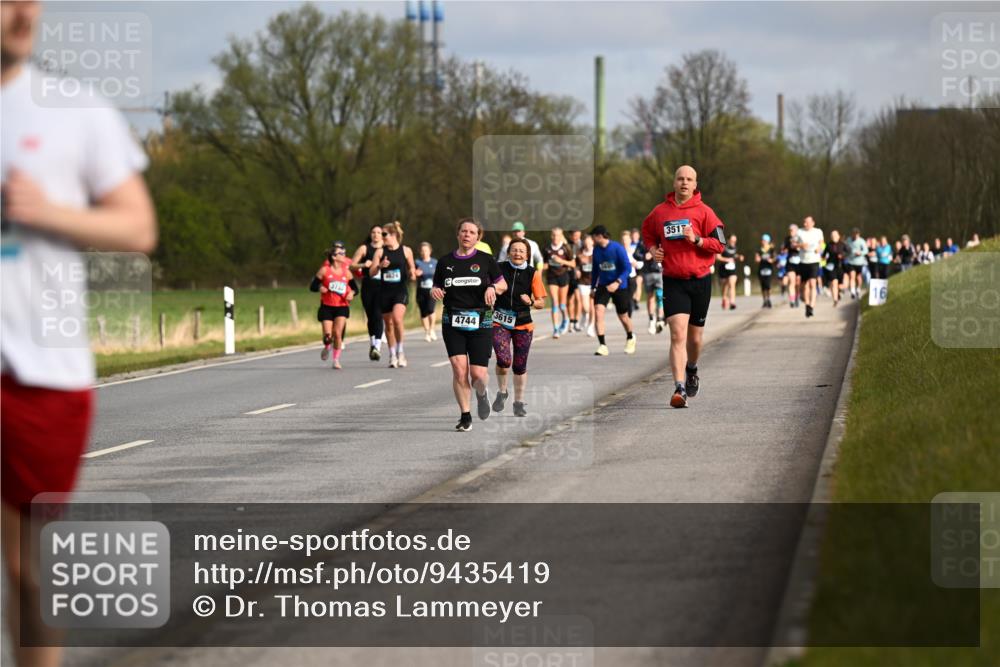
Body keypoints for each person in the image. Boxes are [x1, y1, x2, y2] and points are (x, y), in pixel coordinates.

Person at [2, 2, 158, 664]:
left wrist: (49, 212)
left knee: (28, 572)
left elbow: (137, 228)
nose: (23, 13)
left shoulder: (75, 110)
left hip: (41, 375)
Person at [642, 165, 726, 408]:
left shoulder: (705, 212)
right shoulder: (660, 212)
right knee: (677, 334)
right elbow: (647, 233)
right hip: (673, 280)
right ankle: (679, 388)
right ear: (674, 182)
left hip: (700, 280)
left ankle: (692, 369)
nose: (684, 183)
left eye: (689, 179)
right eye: (680, 179)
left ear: (695, 184)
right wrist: (652, 250)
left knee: (695, 339)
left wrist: (697, 240)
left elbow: (720, 244)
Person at [432, 218, 507, 431]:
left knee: (478, 375)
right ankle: (465, 415)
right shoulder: (445, 262)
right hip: (452, 319)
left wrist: (493, 287)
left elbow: (502, 283)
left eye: (471, 232)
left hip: (480, 320)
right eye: (463, 231)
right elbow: (436, 285)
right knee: (458, 370)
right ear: (458, 234)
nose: (467, 235)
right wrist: (434, 290)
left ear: (477, 237)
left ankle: (481, 395)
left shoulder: (486, 260)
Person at [491, 238, 546, 417]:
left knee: (520, 365)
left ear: (527, 255)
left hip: (523, 323)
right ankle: (502, 392)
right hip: (500, 321)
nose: (517, 254)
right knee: (504, 359)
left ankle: (519, 402)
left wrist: (530, 301)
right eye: (514, 250)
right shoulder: (498, 268)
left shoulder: (533, 273)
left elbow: (540, 303)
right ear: (508, 252)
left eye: (521, 251)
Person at [370, 221, 417, 368]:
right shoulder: (380, 252)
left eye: (384, 234)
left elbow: (412, 270)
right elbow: (371, 273)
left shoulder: (406, 250)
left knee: (397, 319)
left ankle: (400, 351)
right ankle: (392, 355)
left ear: (394, 234)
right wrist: (379, 266)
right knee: (388, 325)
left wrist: (413, 274)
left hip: (400, 291)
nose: (382, 237)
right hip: (384, 293)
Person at [589, 225, 636, 356]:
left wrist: (617, 282)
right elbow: (595, 271)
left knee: (623, 316)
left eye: (593, 236)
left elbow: (627, 268)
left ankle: (630, 337)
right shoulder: (596, 250)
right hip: (603, 285)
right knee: (598, 311)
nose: (592, 239)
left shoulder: (617, 248)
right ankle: (602, 345)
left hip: (619, 286)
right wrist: (593, 287)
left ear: (599, 236)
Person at [311, 242, 356, 369]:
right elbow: (312, 286)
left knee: (337, 333)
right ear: (334, 257)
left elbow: (355, 289)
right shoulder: (325, 270)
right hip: (327, 306)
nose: (343, 255)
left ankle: (336, 360)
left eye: (344, 253)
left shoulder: (346, 273)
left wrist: (351, 293)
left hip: (342, 306)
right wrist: (320, 287)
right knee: (327, 336)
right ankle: (327, 346)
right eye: (340, 253)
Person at [351, 224, 385, 361]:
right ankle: (372, 343)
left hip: (383, 285)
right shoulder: (364, 248)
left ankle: (377, 346)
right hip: (368, 284)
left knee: (378, 314)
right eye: (373, 232)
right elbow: (351, 265)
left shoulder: (386, 249)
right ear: (370, 234)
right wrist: (362, 265)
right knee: (371, 316)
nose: (376, 234)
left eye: (379, 232)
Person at [542, 227, 575, 338]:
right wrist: (542, 268)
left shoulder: (566, 248)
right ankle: (556, 329)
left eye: (558, 235)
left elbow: (573, 264)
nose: (556, 237)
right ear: (552, 236)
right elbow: (545, 263)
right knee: (554, 302)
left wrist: (561, 261)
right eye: (554, 235)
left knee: (562, 304)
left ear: (561, 236)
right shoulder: (547, 248)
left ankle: (565, 319)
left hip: (563, 276)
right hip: (552, 277)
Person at [793, 216, 824, 318]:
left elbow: (822, 243)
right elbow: (793, 244)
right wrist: (801, 246)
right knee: (805, 285)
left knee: (812, 283)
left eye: (807, 222)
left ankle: (812, 306)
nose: (805, 224)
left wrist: (819, 249)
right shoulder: (799, 232)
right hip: (803, 261)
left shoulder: (818, 231)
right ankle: (807, 305)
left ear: (812, 223)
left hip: (814, 261)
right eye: (804, 222)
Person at [635, 235, 665, 333]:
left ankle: (660, 319)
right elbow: (635, 254)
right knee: (650, 296)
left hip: (660, 272)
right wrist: (644, 256)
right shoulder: (643, 241)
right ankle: (652, 319)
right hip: (647, 272)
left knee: (660, 296)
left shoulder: (662, 238)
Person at [414, 241, 438, 343]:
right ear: (420, 252)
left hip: (432, 290)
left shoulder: (435, 262)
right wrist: (415, 274)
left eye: (426, 251)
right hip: (421, 290)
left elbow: (439, 276)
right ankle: (427, 332)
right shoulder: (417, 262)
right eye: (422, 251)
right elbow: (412, 274)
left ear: (430, 251)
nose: (424, 253)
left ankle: (432, 329)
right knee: (423, 312)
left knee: (431, 309)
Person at [716, 234, 743, 311]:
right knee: (725, 285)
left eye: (735, 241)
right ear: (728, 240)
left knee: (732, 284)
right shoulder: (722, 247)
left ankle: (732, 302)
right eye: (732, 240)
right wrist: (727, 260)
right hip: (723, 269)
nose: (733, 242)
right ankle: (724, 298)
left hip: (732, 269)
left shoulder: (735, 248)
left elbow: (735, 255)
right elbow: (717, 257)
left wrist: (739, 257)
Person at [822, 230, 847, 307]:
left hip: (840, 266)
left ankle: (839, 292)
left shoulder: (843, 244)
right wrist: (823, 258)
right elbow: (824, 255)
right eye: (832, 236)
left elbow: (848, 252)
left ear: (838, 236)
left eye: (835, 236)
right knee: (834, 282)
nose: (833, 237)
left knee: (841, 284)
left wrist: (842, 255)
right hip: (831, 266)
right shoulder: (828, 245)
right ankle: (835, 299)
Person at [577, 234, 596, 336]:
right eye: (586, 242)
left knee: (592, 306)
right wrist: (576, 271)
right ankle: (585, 314)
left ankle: (591, 326)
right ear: (584, 243)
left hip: (594, 283)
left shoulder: (597, 253)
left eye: (590, 242)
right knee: (586, 306)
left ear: (592, 242)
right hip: (583, 282)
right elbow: (575, 265)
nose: (588, 244)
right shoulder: (580, 253)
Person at [567, 228, 584, 332]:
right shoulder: (567, 245)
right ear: (570, 236)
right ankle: (571, 321)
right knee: (571, 299)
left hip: (582, 275)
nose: (576, 238)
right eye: (574, 236)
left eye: (577, 236)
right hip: (570, 274)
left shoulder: (583, 245)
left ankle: (576, 321)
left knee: (579, 298)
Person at [843, 228, 867, 299]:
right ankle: (852, 291)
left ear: (859, 234)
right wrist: (845, 253)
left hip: (859, 262)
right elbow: (845, 248)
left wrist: (860, 253)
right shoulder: (848, 240)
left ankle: (858, 289)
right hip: (851, 261)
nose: (855, 236)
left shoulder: (862, 241)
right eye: (854, 234)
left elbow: (866, 250)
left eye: (857, 235)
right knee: (852, 276)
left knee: (858, 277)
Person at [782, 223, 801, 307]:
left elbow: (804, 248)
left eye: (792, 230)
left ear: (796, 230)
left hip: (800, 262)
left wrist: (798, 246)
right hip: (790, 262)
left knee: (798, 282)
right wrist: (784, 250)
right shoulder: (787, 239)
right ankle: (792, 300)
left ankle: (797, 297)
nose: (791, 232)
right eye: (789, 230)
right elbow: (783, 249)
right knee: (792, 281)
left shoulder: (801, 238)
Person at [755, 234, 776, 308]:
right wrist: (758, 259)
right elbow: (756, 258)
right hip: (761, 269)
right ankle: (764, 300)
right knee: (763, 286)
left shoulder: (771, 249)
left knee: (768, 285)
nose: (763, 242)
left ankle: (769, 299)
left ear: (768, 241)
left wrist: (772, 260)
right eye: (762, 240)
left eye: (764, 240)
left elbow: (775, 258)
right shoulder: (759, 250)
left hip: (769, 269)